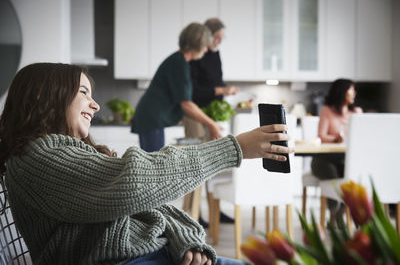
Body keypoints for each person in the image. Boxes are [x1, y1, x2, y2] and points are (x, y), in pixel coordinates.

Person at [0, 62, 292, 265]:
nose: (96, 105)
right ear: (44, 97)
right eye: (84, 93)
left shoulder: (65, 152)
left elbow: (150, 204)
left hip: (149, 256)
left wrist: (185, 239)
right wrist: (234, 148)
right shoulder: (38, 157)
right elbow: (134, 182)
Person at [131, 22, 223, 152]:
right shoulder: (179, 64)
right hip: (152, 119)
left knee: (155, 163)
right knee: (154, 165)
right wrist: (212, 124)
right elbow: (186, 105)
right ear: (197, 45)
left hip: (151, 118)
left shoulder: (179, 61)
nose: (206, 50)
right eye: (204, 46)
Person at [185, 18, 239, 227]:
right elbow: (193, 91)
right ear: (206, 36)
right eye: (217, 37)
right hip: (196, 115)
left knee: (211, 165)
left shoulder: (215, 54)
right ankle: (192, 214)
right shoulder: (196, 55)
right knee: (193, 164)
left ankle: (215, 212)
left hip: (212, 115)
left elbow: (216, 82)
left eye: (221, 39)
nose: (218, 42)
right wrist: (222, 91)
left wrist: (226, 89)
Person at [311, 78, 362, 224]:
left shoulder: (357, 112)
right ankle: (334, 213)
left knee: (349, 172)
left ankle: (341, 212)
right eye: (351, 90)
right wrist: (335, 139)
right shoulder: (327, 110)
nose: (354, 93)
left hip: (346, 159)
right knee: (330, 171)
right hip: (324, 159)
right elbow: (321, 136)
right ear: (342, 91)